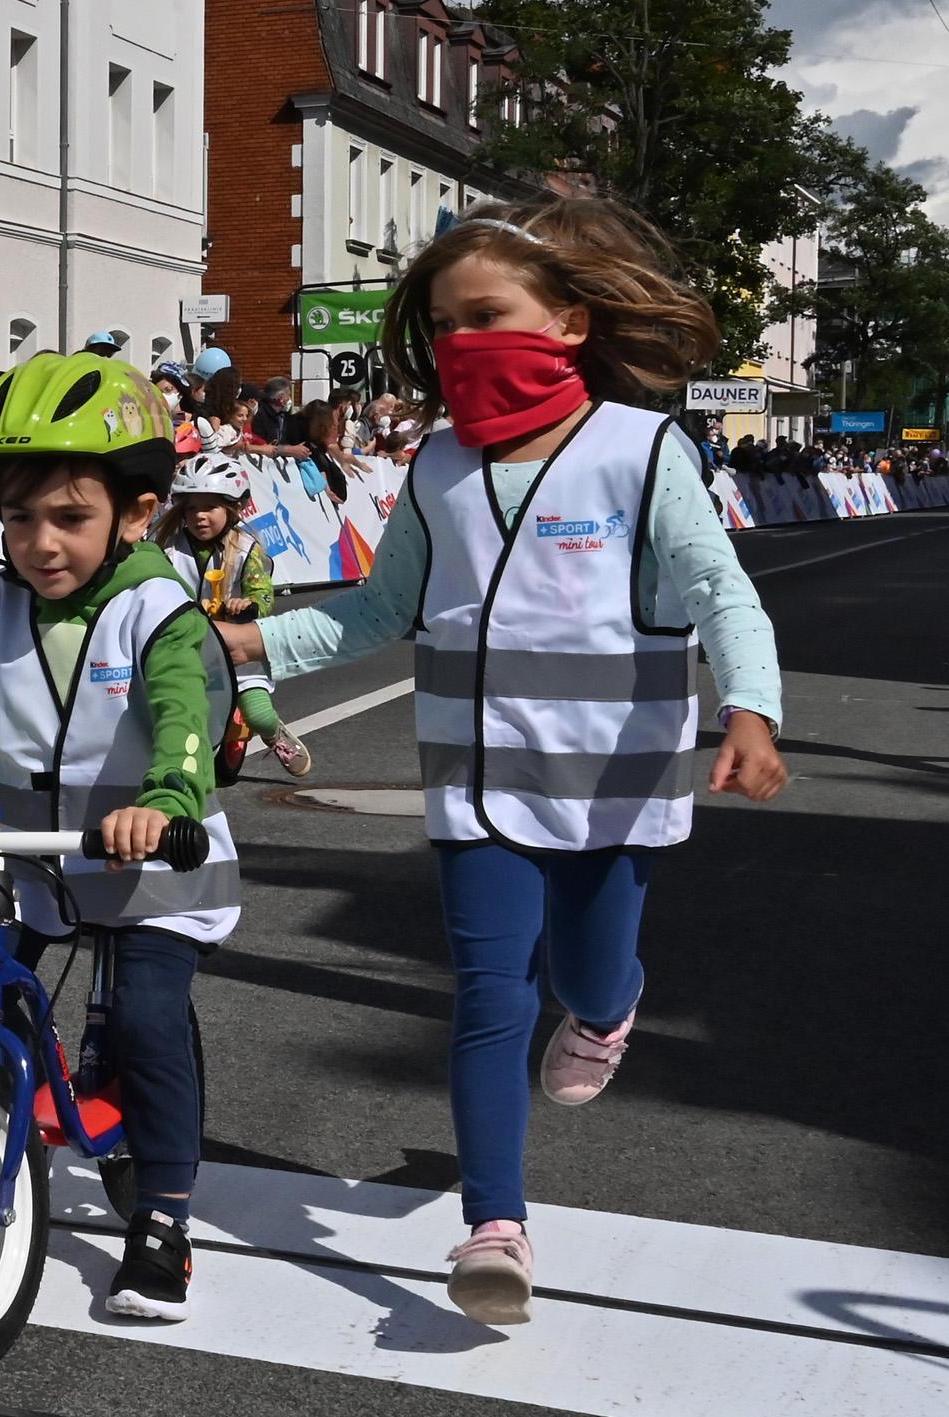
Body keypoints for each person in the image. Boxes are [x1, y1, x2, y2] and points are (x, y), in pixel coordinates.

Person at [221, 195, 788, 1326]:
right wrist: (242, 643)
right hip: (476, 780)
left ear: (568, 323)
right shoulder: (434, 465)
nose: (456, 342)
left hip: (614, 782)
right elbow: (379, 612)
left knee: (583, 972)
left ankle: (608, 1006)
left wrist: (750, 710)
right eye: (440, 324)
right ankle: (494, 1225)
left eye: (484, 313)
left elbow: (721, 590)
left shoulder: (641, 449)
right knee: (487, 993)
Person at [0, 352, 239, 1324]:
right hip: (26, 849)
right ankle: (22, 1097)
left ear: (136, 515)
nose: (38, 543)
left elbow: (185, 718)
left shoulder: (161, 613)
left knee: (147, 1019)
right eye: (18, 517)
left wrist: (166, 797)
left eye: (69, 517)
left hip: (147, 849)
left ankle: (164, 1222)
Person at [152, 451, 311, 778]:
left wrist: (249, 605)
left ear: (232, 508)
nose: (199, 517)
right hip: (184, 641)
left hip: (237, 643)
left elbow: (262, 592)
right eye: (192, 507)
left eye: (210, 507)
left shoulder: (246, 547)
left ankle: (273, 733)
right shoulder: (165, 545)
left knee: (257, 711)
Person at [249, 377, 309, 457]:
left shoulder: (284, 415)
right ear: (281, 398)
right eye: (289, 395)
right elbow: (261, 444)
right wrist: (288, 450)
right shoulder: (259, 416)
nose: (289, 399)